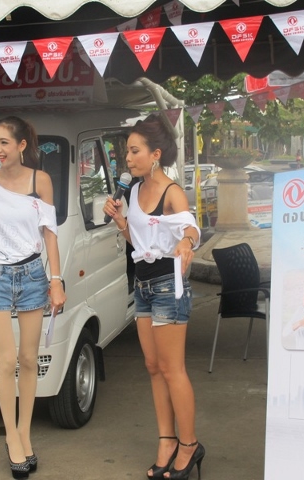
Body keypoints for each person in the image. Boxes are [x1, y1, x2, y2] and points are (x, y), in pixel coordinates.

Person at [0, 116, 66, 479]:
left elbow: (49, 234)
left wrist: (56, 280)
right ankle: (10, 437)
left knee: (29, 359)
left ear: (22, 146)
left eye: (4, 142)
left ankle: (24, 433)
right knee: (6, 360)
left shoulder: (40, 181)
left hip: (33, 274)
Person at [103, 114, 204, 480]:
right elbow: (141, 243)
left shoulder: (170, 192)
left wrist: (187, 242)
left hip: (167, 287)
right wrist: (121, 223)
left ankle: (189, 445)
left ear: (156, 154)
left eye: (135, 151)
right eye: (127, 152)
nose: (128, 158)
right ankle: (167, 439)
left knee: (173, 369)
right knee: (153, 367)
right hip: (143, 286)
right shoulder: (132, 191)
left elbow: (192, 228)